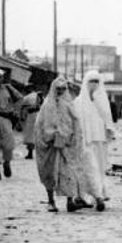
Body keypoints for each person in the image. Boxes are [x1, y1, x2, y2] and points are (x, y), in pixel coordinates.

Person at [34, 76, 86, 213]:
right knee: (50, 173)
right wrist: (51, 136)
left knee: (68, 173)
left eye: (63, 89)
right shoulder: (47, 106)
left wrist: (70, 137)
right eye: (58, 89)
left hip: (66, 146)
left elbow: (75, 124)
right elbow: (40, 126)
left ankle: (70, 201)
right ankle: (51, 201)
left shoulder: (69, 105)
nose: (61, 91)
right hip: (50, 147)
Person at [76, 70, 113, 212]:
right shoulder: (79, 102)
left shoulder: (102, 101)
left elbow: (107, 119)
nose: (94, 85)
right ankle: (87, 195)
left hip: (100, 140)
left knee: (100, 167)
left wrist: (109, 129)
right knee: (89, 168)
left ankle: (100, 194)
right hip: (86, 140)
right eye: (92, 81)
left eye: (97, 81)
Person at [19, 85, 42, 159]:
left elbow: (21, 107)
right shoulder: (40, 96)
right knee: (38, 135)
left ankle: (30, 153)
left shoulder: (27, 97)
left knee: (30, 136)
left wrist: (21, 118)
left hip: (31, 116)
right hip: (39, 116)